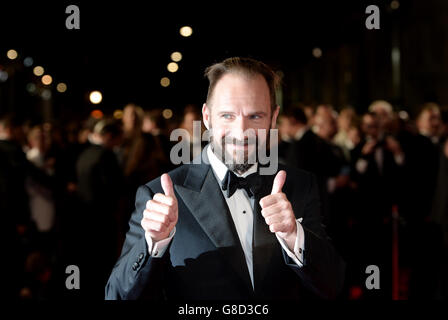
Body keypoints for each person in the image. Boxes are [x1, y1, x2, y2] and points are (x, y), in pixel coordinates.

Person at [105, 57, 345, 300]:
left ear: (274, 118)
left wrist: (295, 236)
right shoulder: (160, 193)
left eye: (255, 116)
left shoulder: (300, 185)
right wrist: (152, 244)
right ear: (207, 117)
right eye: (228, 115)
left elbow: (333, 285)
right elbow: (116, 295)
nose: (241, 132)